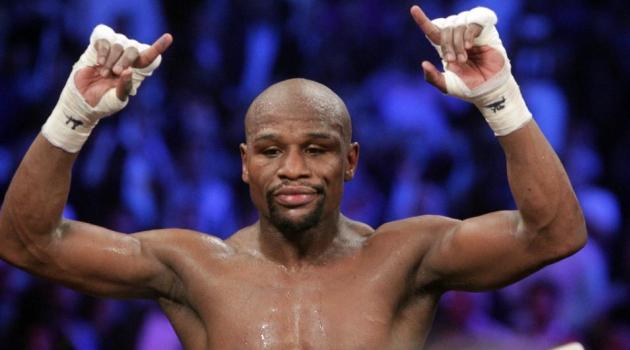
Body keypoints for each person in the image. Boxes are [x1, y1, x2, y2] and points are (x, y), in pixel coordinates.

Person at [0, 5, 586, 349]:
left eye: (317, 148)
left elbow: (554, 233)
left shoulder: (405, 257)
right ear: (244, 163)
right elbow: (27, 242)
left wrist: (498, 97)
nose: (294, 169)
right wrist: (74, 111)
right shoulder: (193, 269)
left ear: (351, 161)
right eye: (272, 150)